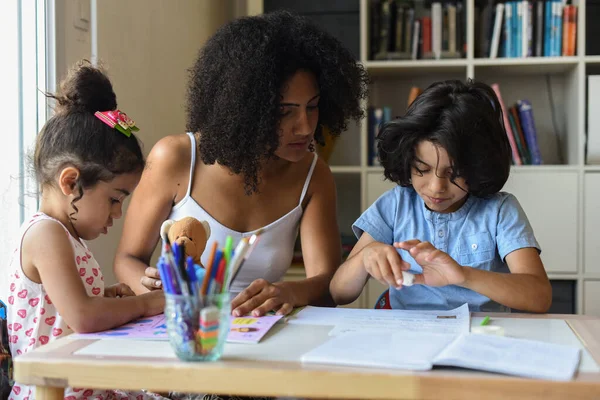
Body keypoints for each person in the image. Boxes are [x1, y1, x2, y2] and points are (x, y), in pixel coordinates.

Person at [114, 10, 369, 318]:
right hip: (184, 326)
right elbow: (127, 259)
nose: (304, 127)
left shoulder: (314, 176)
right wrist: (156, 290)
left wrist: (287, 291)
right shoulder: (175, 158)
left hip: (263, 333)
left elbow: (328, 285)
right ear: (246, 109)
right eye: (284, 111)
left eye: (312, 107)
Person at [6, 61, 165, 400]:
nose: (118, 213)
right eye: (114, 199)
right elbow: (83, 317)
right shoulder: (46, 235)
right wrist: (148, 303)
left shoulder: (63, 235)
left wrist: (103, 297)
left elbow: (62, 310)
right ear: (71, 181)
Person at [330, 79, 552, 313]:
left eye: (454, 173)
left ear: (479, 166)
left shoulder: (499, 210)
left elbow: (539, 297)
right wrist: (365, 257)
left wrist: (463, 275)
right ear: (407, 160)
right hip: (406, 337)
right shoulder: (395, 205)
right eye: (422, 169)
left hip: (480, 336)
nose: (437, 187)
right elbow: (338, 293)